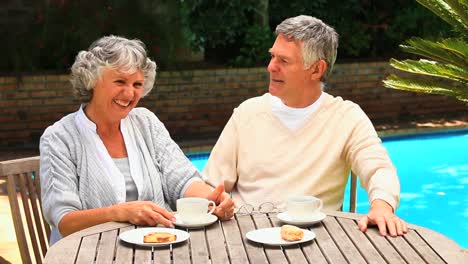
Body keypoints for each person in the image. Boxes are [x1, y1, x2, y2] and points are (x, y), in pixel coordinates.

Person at [203, 15, 407, 237]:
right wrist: (214, 200)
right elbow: (210, 185)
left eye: (284, 60)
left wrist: (382, 206)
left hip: (318, 243)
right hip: (246, 239)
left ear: (316, 70)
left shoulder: (346, 117)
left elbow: (379, 169)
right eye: (272, 57)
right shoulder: (247, 113)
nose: (271, 67)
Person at [40, 35, 234, 245]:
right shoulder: (59, 138)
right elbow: (65, 222)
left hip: (158, 247)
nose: (130, 93)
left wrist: (210, 199)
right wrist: (119, 212)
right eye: (120, 81)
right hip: (89, 253)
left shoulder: (146, 122)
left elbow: (181, 178)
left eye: (137, 84)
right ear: (92, 80)